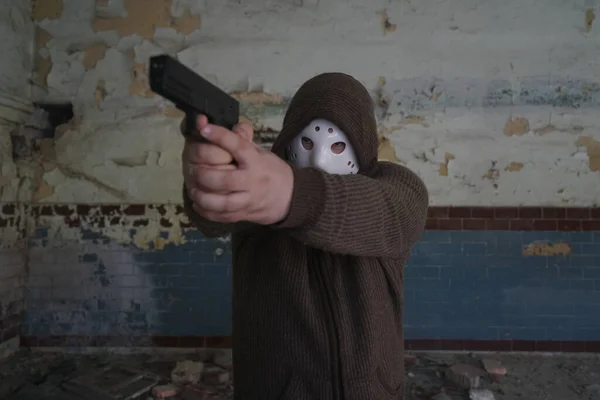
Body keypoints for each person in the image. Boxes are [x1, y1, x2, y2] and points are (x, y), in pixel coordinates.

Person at [181, 72, 429, 400]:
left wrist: (296, 195)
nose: (319, 160)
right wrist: (212, 178)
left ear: (362, 143)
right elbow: (211, 217)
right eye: (308, 142)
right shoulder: (258, 187)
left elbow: (397, 215)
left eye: (338, 145)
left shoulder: (395, 187)